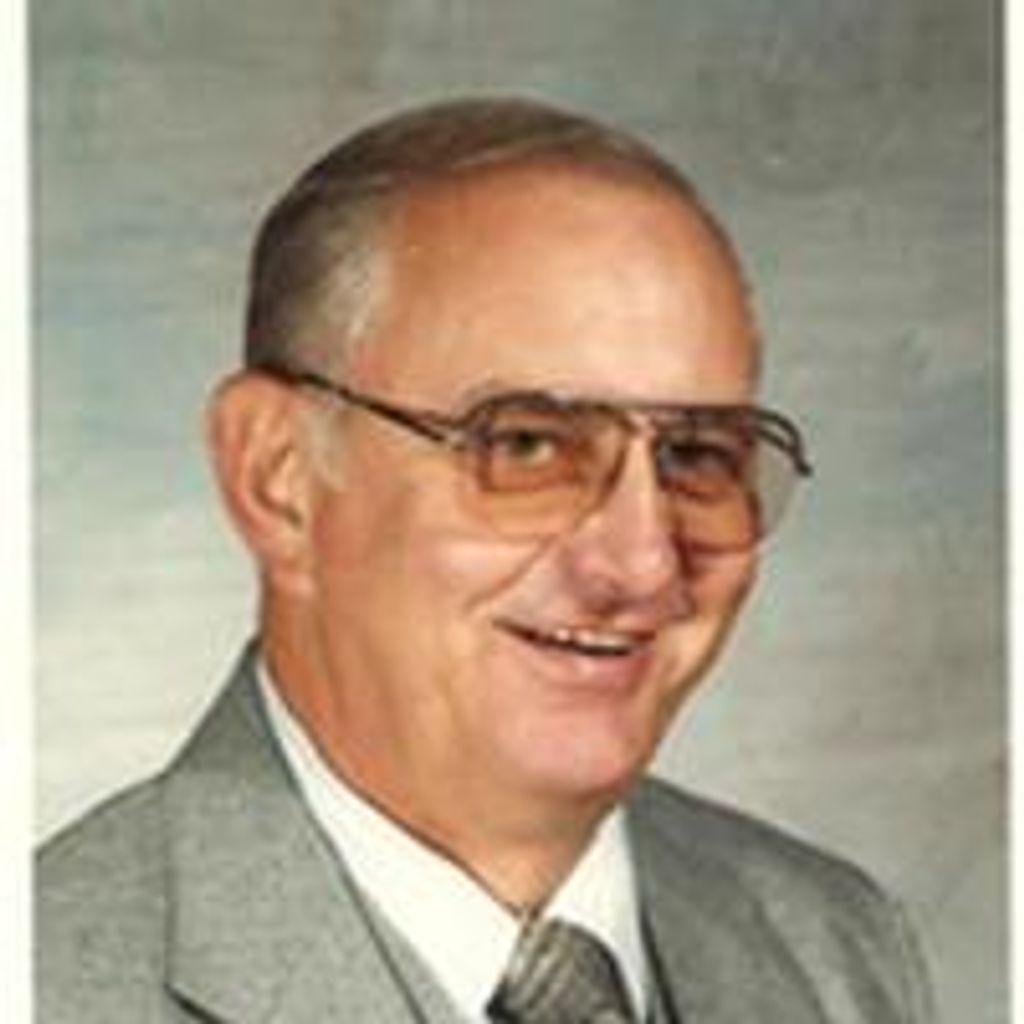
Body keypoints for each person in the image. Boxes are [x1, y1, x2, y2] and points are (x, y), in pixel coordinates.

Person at [36, 96, 933, 1023]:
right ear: (280, 479)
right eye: (528, 446)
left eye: (698, 455)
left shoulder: (837, 950)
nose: (641, 564)